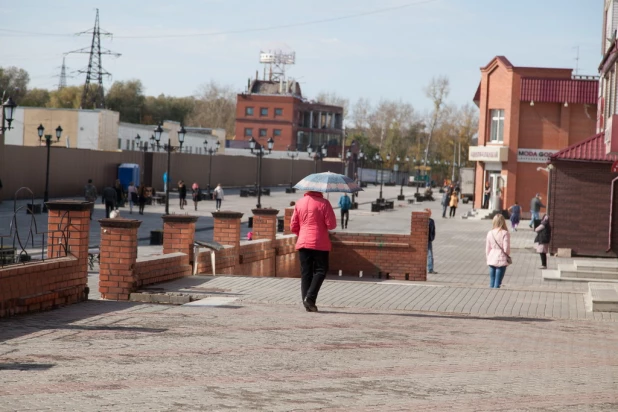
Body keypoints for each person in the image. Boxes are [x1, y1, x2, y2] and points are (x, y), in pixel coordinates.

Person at [290, 191, 337, 312]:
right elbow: (331, 225)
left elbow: (293, 226)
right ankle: (310, 299)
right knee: (321, 270)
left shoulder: (299, 202)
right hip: (319, 243)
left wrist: (302, 235)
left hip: (303, 242)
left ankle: (308, 303)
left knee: (306, 273)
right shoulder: (324, 203)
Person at [485, 214, 511, 288]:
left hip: (492, 255)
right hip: (501, 256)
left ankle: (491, 288)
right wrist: (507, 254)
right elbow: (506, 248)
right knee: (498, 280)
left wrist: (488, 257)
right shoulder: (505, 233)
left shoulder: (490, 232)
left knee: (492, 279)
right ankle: (496, 290)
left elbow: (487, 247)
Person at [426, 208, 437, 274]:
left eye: (430, 213)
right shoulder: (422, 220)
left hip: (429, 240)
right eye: (429, 213)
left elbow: (433, 230)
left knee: (430, 255)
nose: (430, 214)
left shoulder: (431, 221)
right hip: (422, 240)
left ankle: (430, 269)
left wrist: (432, 237)